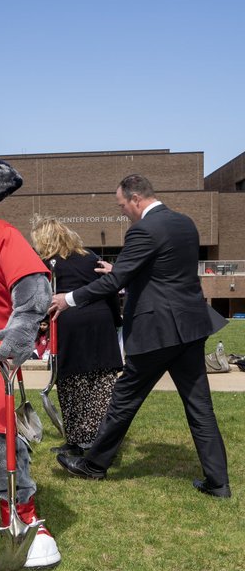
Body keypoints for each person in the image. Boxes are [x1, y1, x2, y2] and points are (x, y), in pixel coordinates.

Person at [51, 174, 230, 497]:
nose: (122, 212)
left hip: (157, 331)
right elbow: (164, 274)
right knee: (200, 407)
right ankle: (219, 483)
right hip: (191, 328)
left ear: (136, 199)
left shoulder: (143, 229)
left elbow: (112, 285)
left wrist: (69, 299)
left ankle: (93, 466)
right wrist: (119, 273)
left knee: (124, 401)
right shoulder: (185, 223)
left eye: (122, 206)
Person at [30, 217, 122, 457]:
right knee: (100, 384)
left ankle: (78, 440)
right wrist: (116, 320)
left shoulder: (46, 264)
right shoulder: (90, 256)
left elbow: (41, 299)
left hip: (70, 324)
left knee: (71, 384)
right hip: (100, 323)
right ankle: (93, 440)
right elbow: (109, 288)